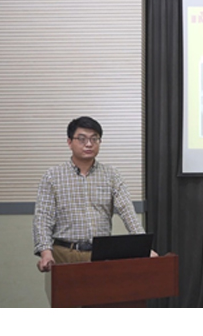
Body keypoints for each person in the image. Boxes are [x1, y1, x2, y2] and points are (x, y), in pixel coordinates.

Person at [33, 116, 157, 272]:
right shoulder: (52, 176)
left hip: (100, 253)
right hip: (63, 253)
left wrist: (144, 248)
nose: (89, 144)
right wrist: (46, 253)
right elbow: (43, 218)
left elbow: (128, 213)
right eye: (82, 139)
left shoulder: (111, 175)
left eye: (94, 139)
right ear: (69, 142)